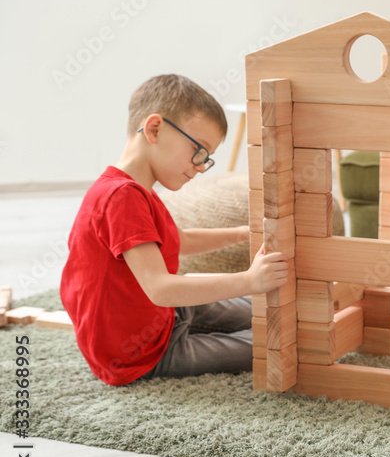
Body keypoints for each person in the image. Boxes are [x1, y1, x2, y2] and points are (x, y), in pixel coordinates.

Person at [60, 74, 288, 386]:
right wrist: (249, 280)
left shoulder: (137, 189)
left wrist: (241, 234)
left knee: (275, 307)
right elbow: (160, 287)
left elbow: (175, 241)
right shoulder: (121, 196)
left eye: (206, 158)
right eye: (199, 150)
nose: (199, 165)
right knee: (278, 342)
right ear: (154, 129)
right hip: (142, 353)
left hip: (165, 316)